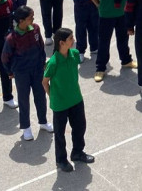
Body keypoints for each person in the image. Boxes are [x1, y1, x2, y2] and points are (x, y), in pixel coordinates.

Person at [43, 27, 94, 173]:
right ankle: (61, 160)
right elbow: (45, 82)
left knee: (80, 127)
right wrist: (52, 96)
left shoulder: (75, 54)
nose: (74, 40)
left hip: (76, 99)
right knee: (60, 134)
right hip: (60, 104)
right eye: (71, 38)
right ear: (61, 43)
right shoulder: (53, 63)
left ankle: (77, 152)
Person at [1, 5, 54, 141]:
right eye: (30, 17)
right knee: (24, 99)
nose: (33, 19)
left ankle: (43, 122)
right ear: (21, 21)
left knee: (40, 96)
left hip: (37, 70)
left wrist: (43, 63)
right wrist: (10, 72)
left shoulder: (35, 28)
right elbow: (5, 58)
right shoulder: (11, 38)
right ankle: (26, 127)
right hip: (22, 73)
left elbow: (41, 46)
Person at [89, 0, 136, 82]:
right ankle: (100, 68)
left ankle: (126, 60)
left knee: (123, 39)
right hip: (107, 14)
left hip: (123, 13)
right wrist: (99, 5)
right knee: (104, 42)